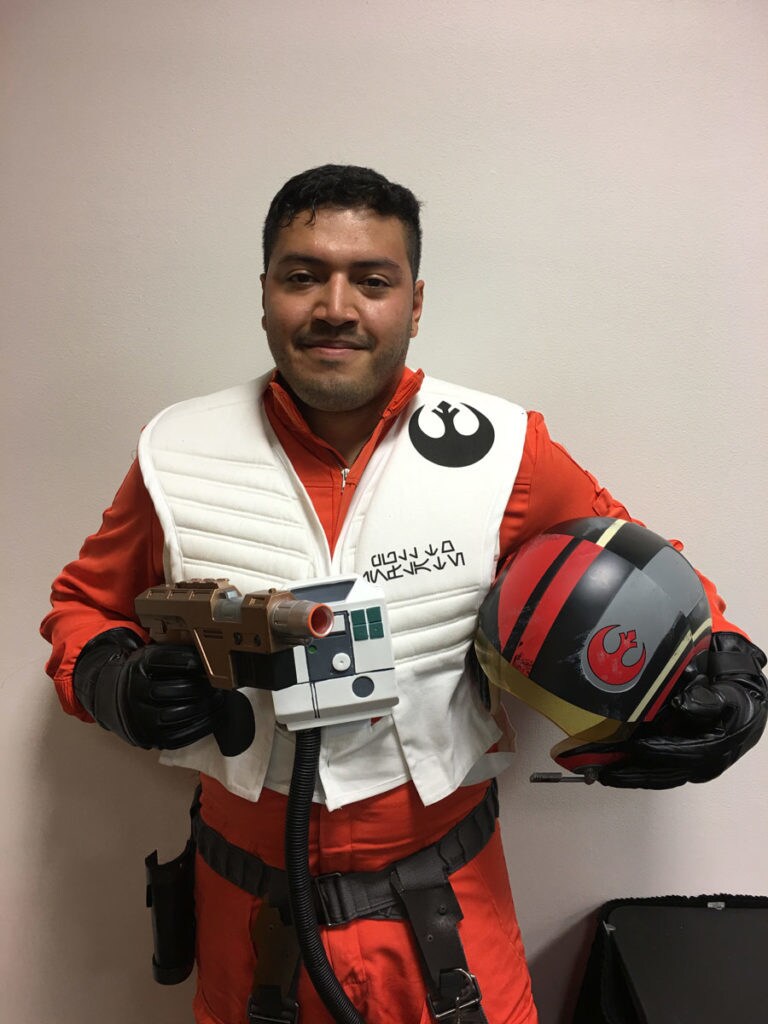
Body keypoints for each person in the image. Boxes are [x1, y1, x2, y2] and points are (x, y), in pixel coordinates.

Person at [41, 164, 767, 1024]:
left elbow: (636, 566)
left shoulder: (503, 450)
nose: (336, 307)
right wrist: (109, 682)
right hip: (249, 918)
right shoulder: (180, 454)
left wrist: (726, 662)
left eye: (372, 281)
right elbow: (83, 607)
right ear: (265, 292)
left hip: (446, 912)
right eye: (303, 275)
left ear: (414, 304)